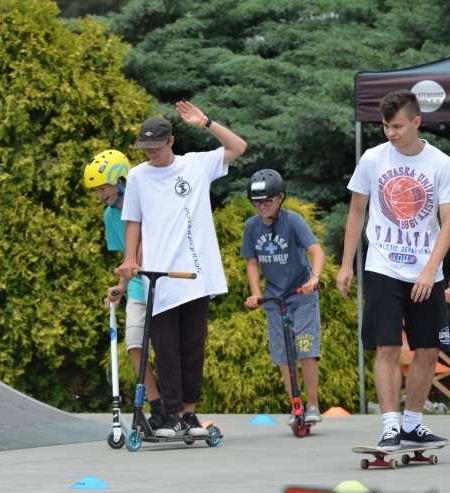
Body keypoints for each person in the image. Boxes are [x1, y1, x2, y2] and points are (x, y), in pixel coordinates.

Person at [118, 101, 247, 438]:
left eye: (157, 146)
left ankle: (189, 415)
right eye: (145, 147)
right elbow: (132, 222)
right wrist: (130, 258)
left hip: (196, 277)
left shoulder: (196, 166)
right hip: (160, 279)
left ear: (171, 141)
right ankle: (172, 414)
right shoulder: (138, 176)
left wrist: (205, 122)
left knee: (193, 348)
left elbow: (238, 146)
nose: (151, 153)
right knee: (165, 350)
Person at [337, 89, 450, 451]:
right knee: (386, 345)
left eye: (398, 126)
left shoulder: (441, 163)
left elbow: (448, 222)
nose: (391, 133)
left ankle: (413, 425)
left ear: (417, 122)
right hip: (383, 266)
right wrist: (346, 264)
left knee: (428, 348)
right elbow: (357, 211)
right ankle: (390, 426)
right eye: (386, 126)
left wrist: (430, 270)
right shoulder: (373, 158)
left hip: (426, 269)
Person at [83, 149, 166, 429]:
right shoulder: (110, 216)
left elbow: (142, 247)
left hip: (161, 284)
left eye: (102, 188)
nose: (99, 195)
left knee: (165, 349)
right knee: (134, 345)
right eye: (95, 190)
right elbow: (127, 257)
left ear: (119, 181)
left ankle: (176, 409)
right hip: (137, 288)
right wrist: (122, 287)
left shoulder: (144, 201)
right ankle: (157, 408)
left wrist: (122, 282)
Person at [241, 169, 325, 426]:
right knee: (283, 355)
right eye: (256, 202)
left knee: (306, 348)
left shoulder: (293, 221)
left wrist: (314, 278)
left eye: (267, 201)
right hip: (275, 300)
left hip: (301, 295)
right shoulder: (252, 226)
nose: (262, 207)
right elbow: (252, 262)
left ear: (280, 198)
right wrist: (256, 293)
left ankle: (312, 405)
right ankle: (295, 405)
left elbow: (316, 250)